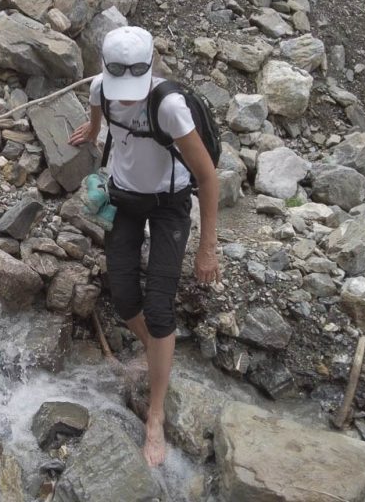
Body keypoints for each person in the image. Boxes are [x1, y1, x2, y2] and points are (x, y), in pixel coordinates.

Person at [68, 25, 220, 467]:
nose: (128, 98)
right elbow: (100, 118)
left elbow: (208, 177)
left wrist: (207, 247)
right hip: (125, 198)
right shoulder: (100, 88)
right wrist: (92, 130)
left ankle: (155, 414)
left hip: (169, 204)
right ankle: (158, 351)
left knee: (159, 307)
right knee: (122, 294)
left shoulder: (168, 106)